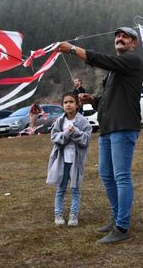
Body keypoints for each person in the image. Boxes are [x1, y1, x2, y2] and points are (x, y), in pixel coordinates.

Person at [57, 26, 143, 244]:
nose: (119, 38)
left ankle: (122, 227)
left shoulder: (132, 61)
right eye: (117, 36)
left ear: (134, 43)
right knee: (106, 175)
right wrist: (93, 100)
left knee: (121, 176)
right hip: (107, 127)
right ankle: (116, 217)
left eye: (125, 36)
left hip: (124, 127)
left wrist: (72, 50)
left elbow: (101, 59)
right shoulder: (114, 71)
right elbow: (106, 100)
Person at [47, 92, 93, 227]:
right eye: (65, 102)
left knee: (75, 188)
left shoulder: (83, 121)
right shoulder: (60, 121)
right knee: (60, 188)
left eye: (71, 102)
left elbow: (86, 140)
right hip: (62, 160)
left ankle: (74, 214)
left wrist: (76, 132)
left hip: (76, 161)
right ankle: (58, 214)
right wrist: (66, 134)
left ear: (77, 104)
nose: (68, 105)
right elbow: (54, 138)